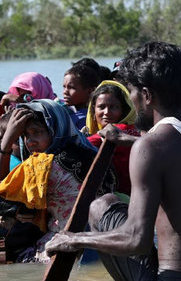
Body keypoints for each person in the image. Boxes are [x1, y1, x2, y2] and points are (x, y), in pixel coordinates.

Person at [45, 41, 181, 281]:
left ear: (147, 95)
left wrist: (75, 239)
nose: (132, 101)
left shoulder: (151, 146)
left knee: (102, 206)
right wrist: (128, 140)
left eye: (132, 93)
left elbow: (135, 239)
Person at [0, 100, 116, 262]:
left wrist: (5, 143)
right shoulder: (93, 154)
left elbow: (4, 199)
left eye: (37, 132)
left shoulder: (42, 166)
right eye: (26, 135)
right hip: (105, 243)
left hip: (61, 247)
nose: (30, 141)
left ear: (54, 128)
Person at [85, 80, 140, 196]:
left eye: (114, 107)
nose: (107, 112)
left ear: (124, 110)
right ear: (93, 110)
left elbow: (83, 145)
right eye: (101, 107)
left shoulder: (117, 130)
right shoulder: (135, 129)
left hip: (123, 198)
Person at [62, 63, 101, 129]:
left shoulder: (84, 120)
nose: (65, 92)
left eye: (71, 87)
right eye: (64, 87)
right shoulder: (72, 114)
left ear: (89, 91)